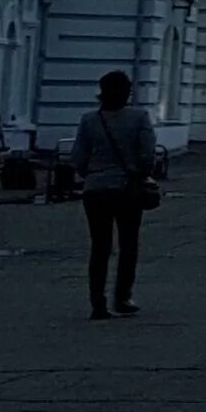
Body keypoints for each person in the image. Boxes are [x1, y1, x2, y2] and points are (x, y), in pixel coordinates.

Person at [69, 70, 159, 320]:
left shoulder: (89, 120)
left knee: (100, 247)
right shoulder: (139, 117)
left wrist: (95, 174)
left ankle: (97, 302)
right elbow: (148, 155)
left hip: (96, 190)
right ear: (128, 92)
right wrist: (140, 175)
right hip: (128, 190)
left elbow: (77, 158)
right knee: (128, 244)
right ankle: (123, 297)